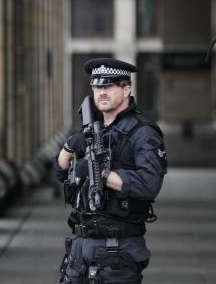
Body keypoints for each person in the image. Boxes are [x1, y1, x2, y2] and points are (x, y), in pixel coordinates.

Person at [55, 58, 167, 284]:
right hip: (80, 248)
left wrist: (101, 173)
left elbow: (149, 184)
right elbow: (60, 172)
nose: (101, 92)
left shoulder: (143, 133)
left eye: (109, 86)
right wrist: (68, 147)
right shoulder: (93, 129)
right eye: (97, 86)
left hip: (117, 250)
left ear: (127, 89)